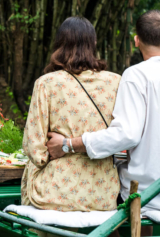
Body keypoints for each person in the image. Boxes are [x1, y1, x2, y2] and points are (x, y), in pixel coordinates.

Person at [46, 10, 160, 213]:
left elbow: (126, 135)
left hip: (151, 196)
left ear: (136, 41)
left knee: (108, 183)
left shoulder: (136, 75)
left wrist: (68, 145)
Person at [21, 17, 121, 211]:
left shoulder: (46, 83)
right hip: (103, 193)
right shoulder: (116, 82)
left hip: (54, 192)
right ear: (93, 44)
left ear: (59, 45)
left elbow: (34, 148)